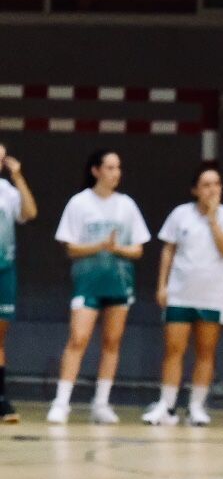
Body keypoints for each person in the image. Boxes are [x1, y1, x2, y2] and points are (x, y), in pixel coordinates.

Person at [47, 150, 151, 425]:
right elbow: (70, 247)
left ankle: (101, 403)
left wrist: (118, 249)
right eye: (109, 167)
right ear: (96, 171)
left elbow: (138, 249)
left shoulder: (127, 205)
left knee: (112, 342)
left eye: (118, 168)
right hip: (87, 283)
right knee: (78, 339)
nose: (115, 173)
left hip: (119, 283)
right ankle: (61, 401)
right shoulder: (79, 203)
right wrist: (99, 246)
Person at [142, 167, 223, 427]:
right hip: (180, 293)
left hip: (212, 295)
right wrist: (162, 285)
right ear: (195, 189)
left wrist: (212, 220)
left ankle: (197, 405)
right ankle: (167, 405)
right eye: (206, 185)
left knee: (206, 351)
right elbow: (168, 250)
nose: (212, 190)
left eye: (216, 184)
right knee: (174, 349)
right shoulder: (180, 214)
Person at [0, 143, 40, 423]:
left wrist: (19, 177)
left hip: (4, 269)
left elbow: (30, 213)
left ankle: (1, 399)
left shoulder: (8, 191)